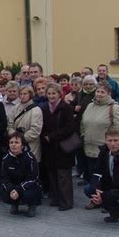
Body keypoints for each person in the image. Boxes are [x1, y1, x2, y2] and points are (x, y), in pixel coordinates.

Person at [85, 127, 119, 228]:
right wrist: (97, 190)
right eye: (110, 140)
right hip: (114, 185)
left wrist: (106, 195)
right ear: (105, 141)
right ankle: (116, 212)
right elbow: (96, 172)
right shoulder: (104, 152)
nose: (113, 144)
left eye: (116, 140)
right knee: (89, 189)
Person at [81, 81, 119, 200]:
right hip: (89, 147)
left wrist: (112, 142)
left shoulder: (114, 108)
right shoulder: (90, 106)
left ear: (109, 93)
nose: (99, 94)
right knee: (93, 176)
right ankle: (95, 199)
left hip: (105, 149)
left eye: (103, 92)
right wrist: (83, 135)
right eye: (98, 91)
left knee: (106, 178)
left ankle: (108, 200)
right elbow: (83, 123)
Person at [40, 82, 75, 211]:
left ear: (60, 94)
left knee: (63, 175)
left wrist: (52, 136)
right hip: (49, 147)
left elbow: (70, 128)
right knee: (52, 174)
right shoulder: (44, 108)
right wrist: (44, 136)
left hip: (63, 146)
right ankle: (55, 199)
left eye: (53, 93)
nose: (51, 96)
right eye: (49, 93)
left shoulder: (65, 108)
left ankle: (66, 202)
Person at [0, 132, 41, 217]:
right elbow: (4, 178)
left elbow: (33, 178)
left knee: (28, 194)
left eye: (17, 142)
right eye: (11, 142)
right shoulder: (5, 158)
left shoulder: (30, 157)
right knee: (3, 193)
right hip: (14, 187)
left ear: (22, 145)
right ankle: (15, 204)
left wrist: (18, 190)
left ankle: (32, 205)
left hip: (27, 187)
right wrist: (11, 189)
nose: (13, 145)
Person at [8, 85, 43, 164]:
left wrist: (21, 140)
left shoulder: (36, 110)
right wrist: (15, 139)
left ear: (30, 95)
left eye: (25, 94)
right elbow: (10, 125)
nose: (22, 96)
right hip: (15, 145)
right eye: (21, 94)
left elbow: (35, 130)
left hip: (30, 146)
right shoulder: (14, 108)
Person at [73, 75, 97, 182]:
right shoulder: (80, 94)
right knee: (80, 151)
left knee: (89, 153)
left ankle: (90, 177)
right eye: (86, 84)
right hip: (79, 126)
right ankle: (82, 172)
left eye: (90, 84)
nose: (88, 86)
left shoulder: (96, 95)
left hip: (90, 127)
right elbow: (71, 105)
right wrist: (74, 108)